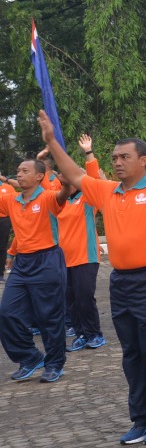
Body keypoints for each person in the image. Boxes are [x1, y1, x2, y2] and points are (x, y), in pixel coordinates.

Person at [38, 102, 146, 445]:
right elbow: (74, 175)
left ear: (143, 160)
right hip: (121, 283)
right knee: (132, 353)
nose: (117, 162)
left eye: (124, 157)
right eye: (114, 157)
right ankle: (143, 418)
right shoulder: (107, 192)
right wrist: (53, 141)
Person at [0, 157, 67, 383]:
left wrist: (66, 184)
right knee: (7, 312)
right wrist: (11, 252)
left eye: (24, 170)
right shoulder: (11, 200)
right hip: (22, 264)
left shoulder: (48, 197)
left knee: (49, 316)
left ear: (39, 176)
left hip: (47, 260)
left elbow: (62, 195)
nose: (19, 174)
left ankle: (55, 363)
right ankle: (29, 357)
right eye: (18, 170)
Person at [60, 137, 106, 352]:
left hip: (86, 257)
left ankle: (94, 334)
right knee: (70, 301)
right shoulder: (60, 202)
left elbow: (95, 179)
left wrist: (89, 153)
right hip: (64, 260)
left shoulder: (87, 200)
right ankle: (80, 334)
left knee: (84, 298)